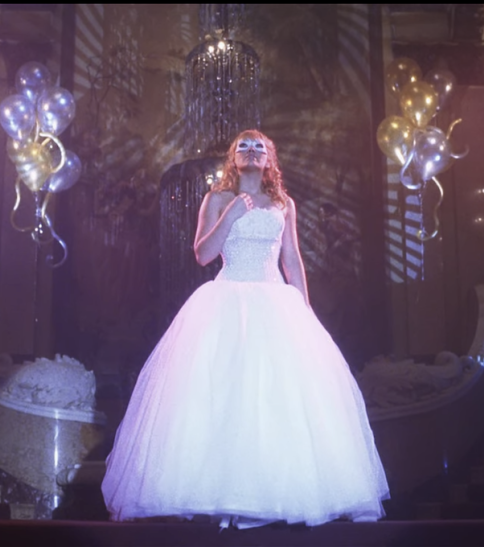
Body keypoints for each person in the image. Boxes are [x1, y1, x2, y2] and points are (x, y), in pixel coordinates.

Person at [101, 129, 390, 529]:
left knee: (279, 400)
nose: (251, 152)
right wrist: (231, 214)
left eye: (259, 147)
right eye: (243, 147)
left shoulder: (283, 203)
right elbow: (203, 254)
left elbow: (292, 256)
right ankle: (221, 494)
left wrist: (303, 307)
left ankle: (277, 491)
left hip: (274, 302)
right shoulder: (217, 198)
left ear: (269, 158)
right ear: (232, 159)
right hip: (227, 300)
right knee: (223, 395)